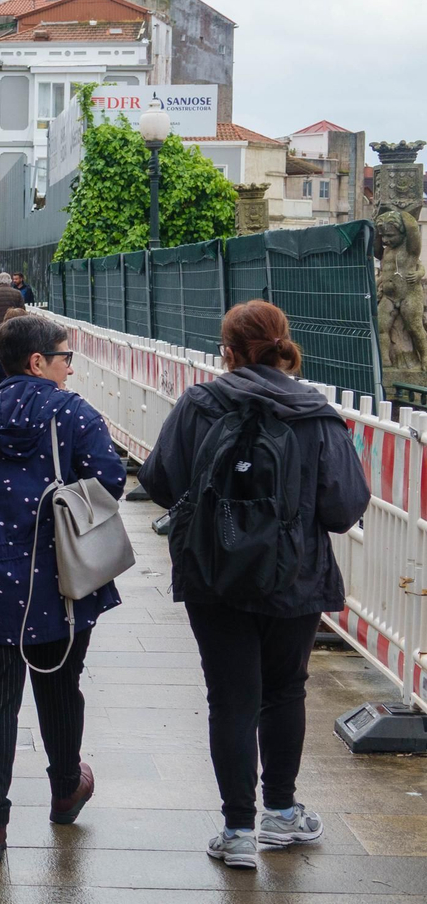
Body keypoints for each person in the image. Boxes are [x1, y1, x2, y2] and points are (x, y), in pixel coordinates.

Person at [135, 301, 369, 871]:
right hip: (296, 577)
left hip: (213, 573)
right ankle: (282, 815)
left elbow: (159, 481)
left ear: (228, 352)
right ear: (284, 344)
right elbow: (343, 509)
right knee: (285, 690)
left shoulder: (199, 405)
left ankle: (237, 829)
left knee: (230, 697)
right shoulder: (315, 413)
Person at [0, 315, 124, 862]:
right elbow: (110, 483)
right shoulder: (74, 414)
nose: (69, 368)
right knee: (60, 687)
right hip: (60, 580)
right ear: (38, 362)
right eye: (64, 357)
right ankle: (66, 789)